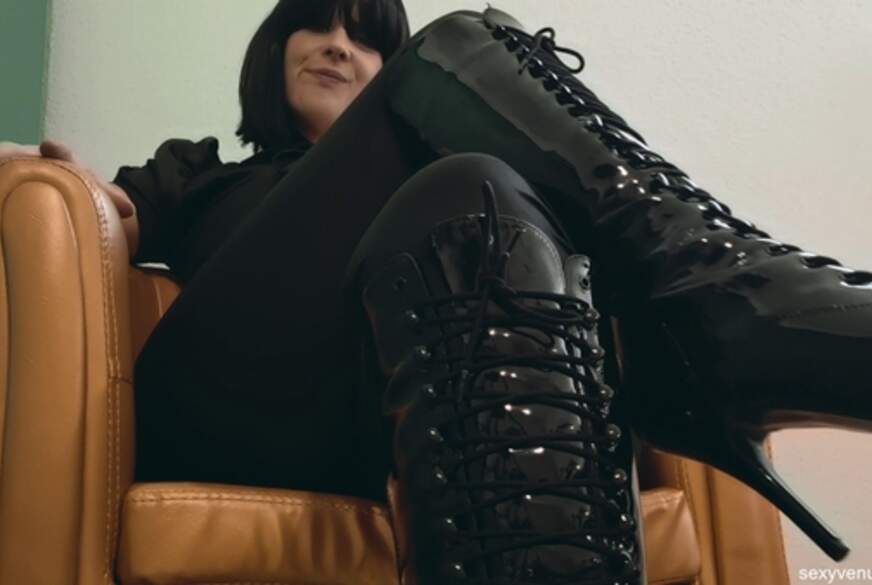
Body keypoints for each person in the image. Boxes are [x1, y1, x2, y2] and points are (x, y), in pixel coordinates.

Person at [3, 0, 871, 582]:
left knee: (475, 193)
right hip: (236, 408)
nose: (338, 45)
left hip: (408, 415)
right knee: (462, 47)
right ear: (275, 52)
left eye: (364, 37)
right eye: (316, 25)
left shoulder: (471, 194)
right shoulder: (198, 172)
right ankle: (734, 307)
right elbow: (103, 213)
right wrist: (44, 173)